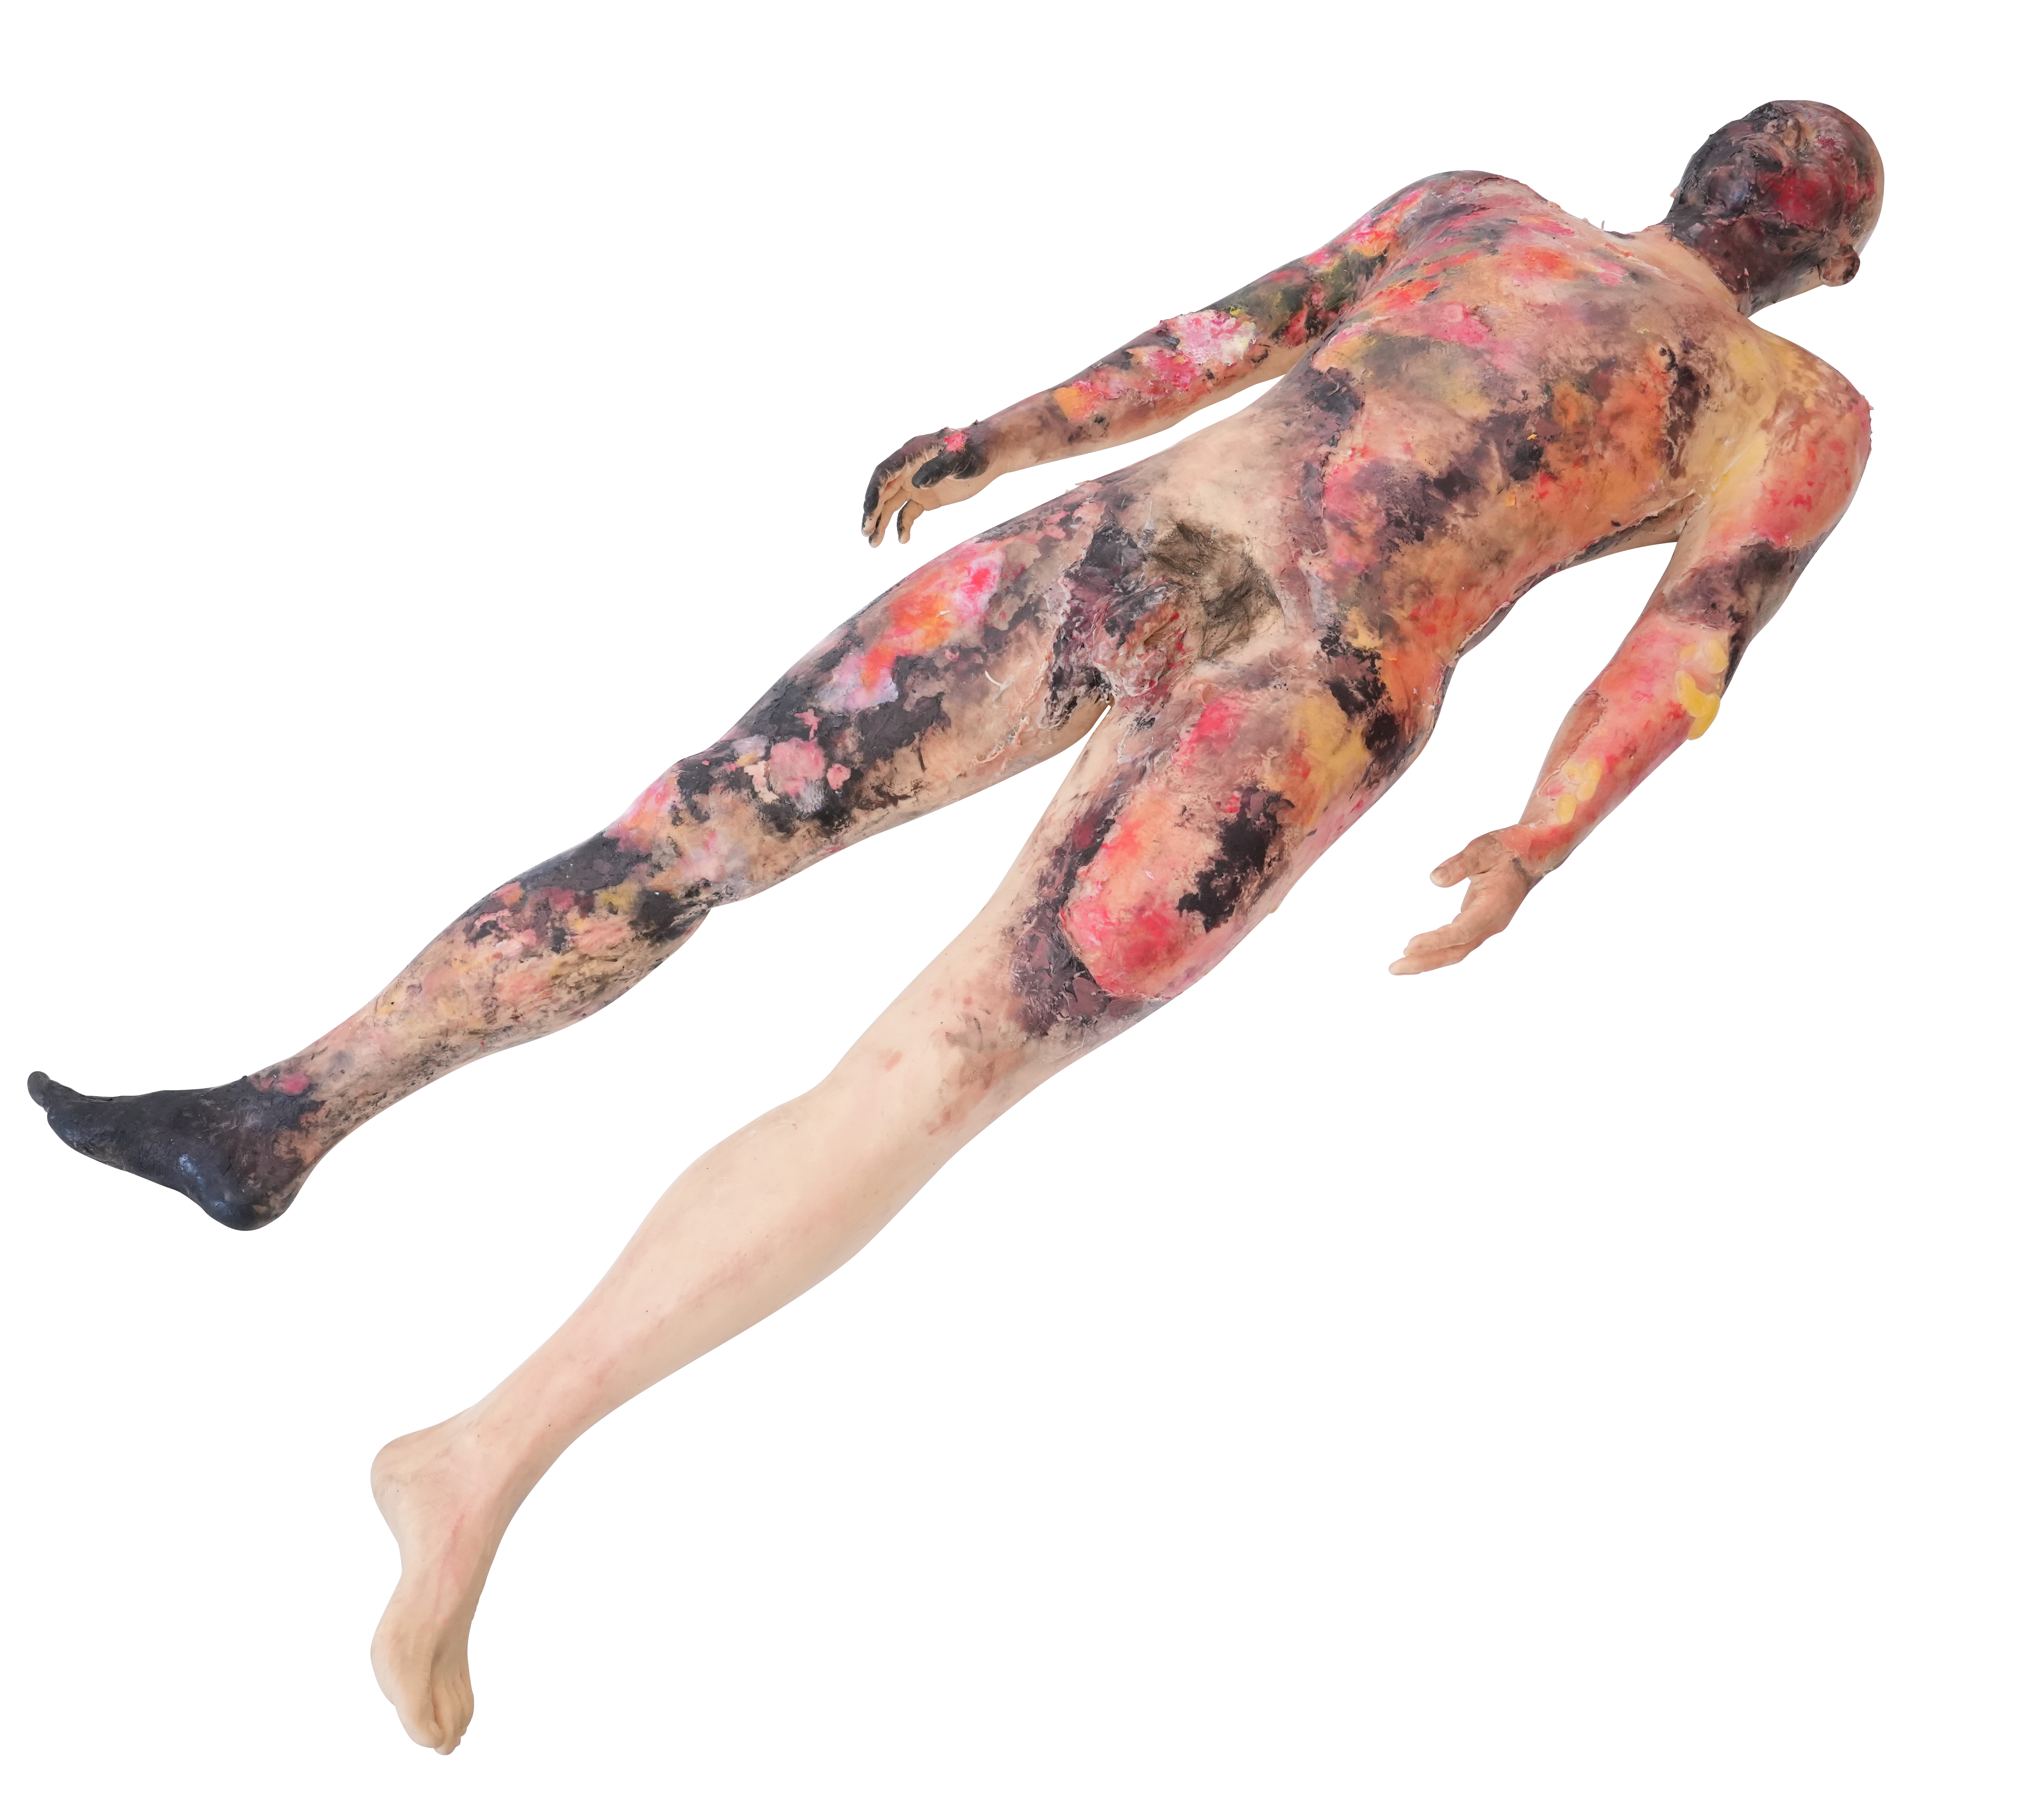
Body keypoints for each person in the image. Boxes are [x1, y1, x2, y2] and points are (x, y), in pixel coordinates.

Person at [26, 100, 1881, 1751]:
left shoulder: (1528, 242)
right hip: (1287, 678)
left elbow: (1240, 354)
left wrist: (1013, 438)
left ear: (1712, 175)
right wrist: (1542, 834)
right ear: (1835, 261)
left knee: (744, 889)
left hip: (1182, 588)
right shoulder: (1750, 379)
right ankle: (333, 1219)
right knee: (885, 1047)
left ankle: (377, 1279)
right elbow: (1678, 645)